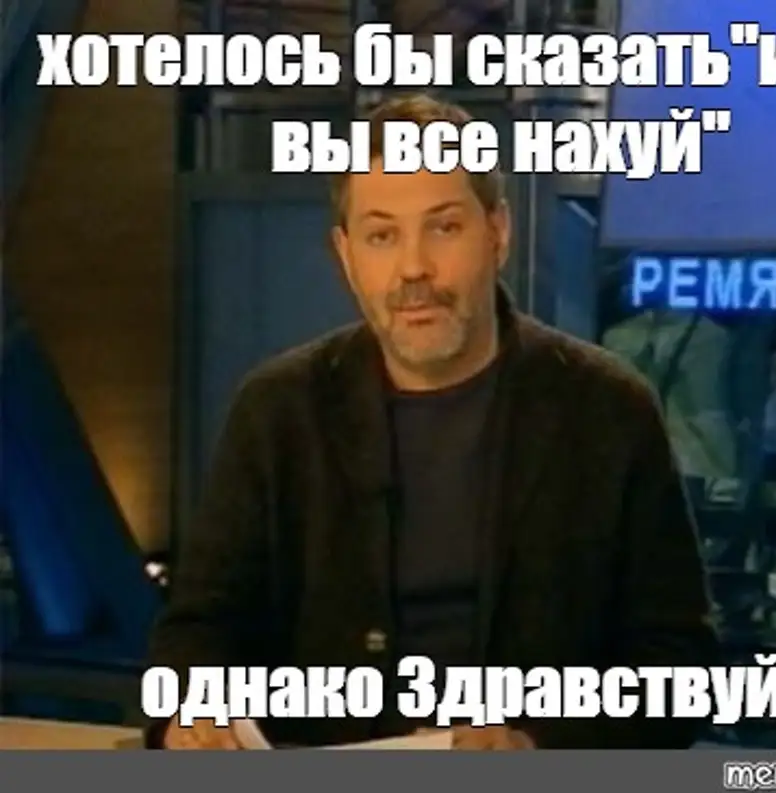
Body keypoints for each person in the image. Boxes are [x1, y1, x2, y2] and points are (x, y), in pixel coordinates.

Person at [148, 94, 717, 750]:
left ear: (497, 232)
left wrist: (539, 740)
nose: (414, 267)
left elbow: (679, 669)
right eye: (382, 235)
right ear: (345, 255)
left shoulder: (607, 410)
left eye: (443, 228)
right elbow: (199, 630)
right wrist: (192, 716)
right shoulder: (278, 410)